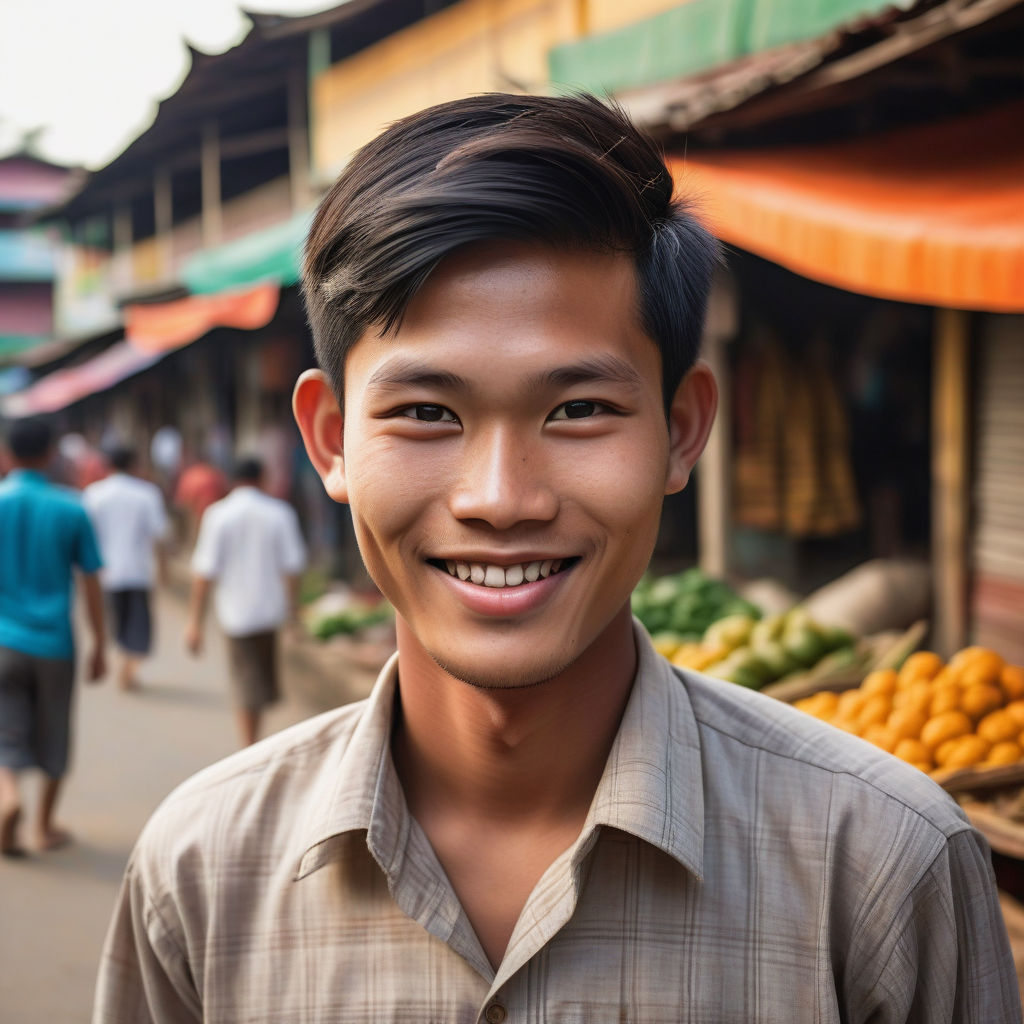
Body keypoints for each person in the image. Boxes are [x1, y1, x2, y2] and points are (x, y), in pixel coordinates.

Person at [93, 95, 1020, 1022]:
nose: (500, 498)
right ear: (330, 440)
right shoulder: (200, 873)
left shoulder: (887, 872)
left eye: (577, 410)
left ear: (682, 429)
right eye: (426, 413)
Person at [0, 417, 106, 856]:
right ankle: (43, 828)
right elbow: (91, 581)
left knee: (5, 733)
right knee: (55, 733)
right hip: (55, 643)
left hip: (4, 640)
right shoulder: (71, 507)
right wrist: (100, 642)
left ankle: (7, 797)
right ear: (49, 454)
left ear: (7, 453)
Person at [183, 455, 306, 747]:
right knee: (255, 684)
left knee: (247, 683)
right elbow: (293, 568)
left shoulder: (218, 514)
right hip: (270, 611)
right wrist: (292, 611)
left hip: (235, 612)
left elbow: (204, 572)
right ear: (262, 478)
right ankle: (251, 744)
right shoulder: (280, 512)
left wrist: (194, 622)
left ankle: (249, 745)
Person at [83, 444, 170, 691]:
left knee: (119, 624)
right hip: (138, 571)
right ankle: (128, 669)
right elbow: (159, 535)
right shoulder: (146, 493)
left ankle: (126, 667)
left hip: (105, 573)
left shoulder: (93, 494)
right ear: (134, 464)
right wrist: (163, 571)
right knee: (138, 626)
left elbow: (87, 537)